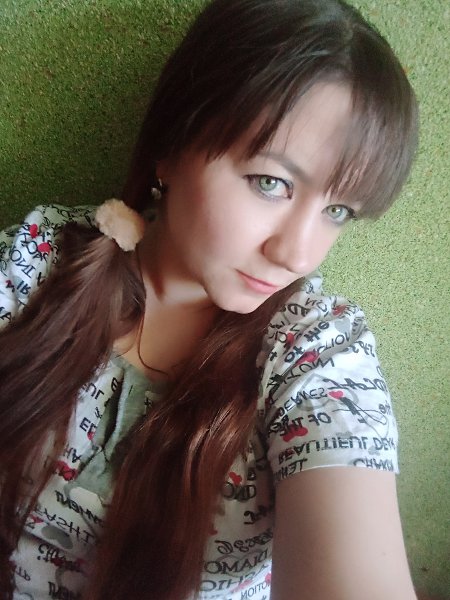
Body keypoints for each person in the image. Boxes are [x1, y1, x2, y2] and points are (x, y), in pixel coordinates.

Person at [0, 0, 419, 598]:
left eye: (338, 211)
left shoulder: (316, 350)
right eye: (271, 183)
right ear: (171, 147)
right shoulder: (37, 261)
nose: (298, 255)